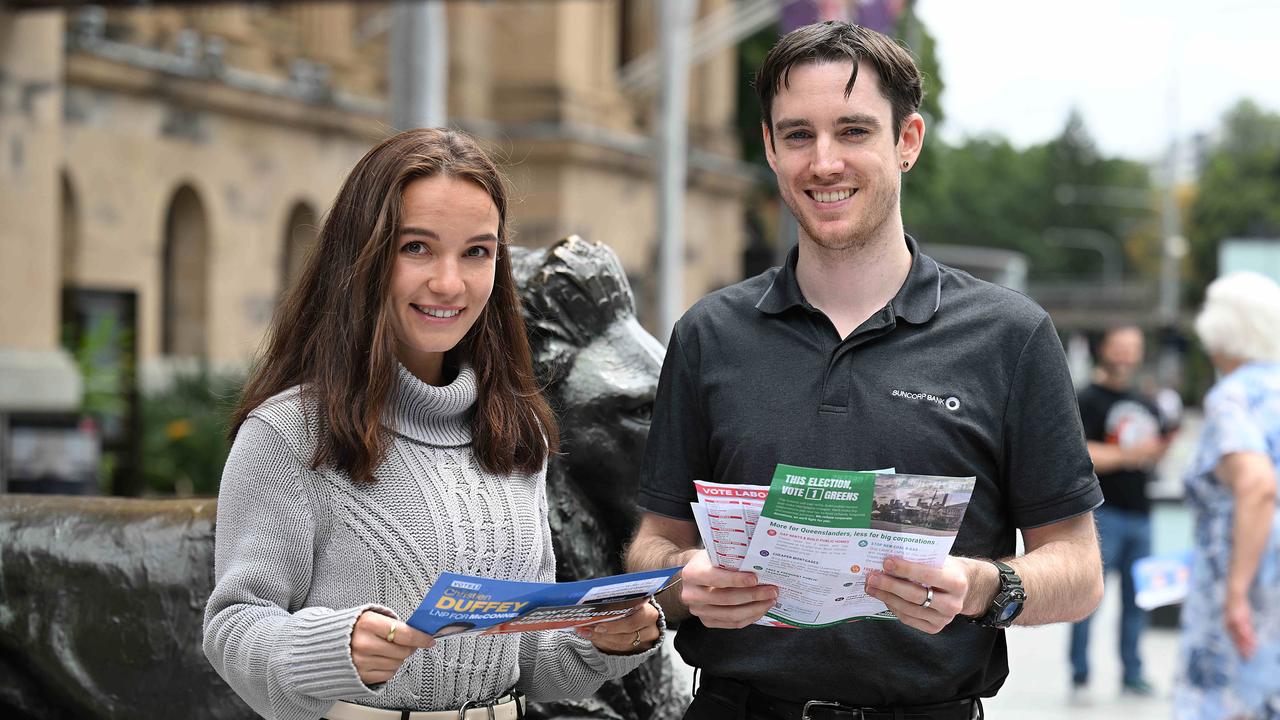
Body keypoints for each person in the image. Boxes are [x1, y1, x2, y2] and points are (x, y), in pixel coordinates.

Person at [624, 21, 1104, 720]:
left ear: (906, 142)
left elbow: (1080, 571)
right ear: (770, 147)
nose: (823, 163)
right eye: (797, 135)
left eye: (853, 131)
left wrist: (979, 585)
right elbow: (651, 542)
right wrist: (677, 581)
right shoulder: (708, 334)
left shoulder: (1010, 336)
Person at [202, 128, 662, 720]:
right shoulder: (288, 431)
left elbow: (524, 660)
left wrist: (599, 641)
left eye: (477, 251)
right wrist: (333, 649)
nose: (449, 283)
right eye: (417, 247)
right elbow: (233, 628)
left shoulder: (517, 432)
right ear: (363, 255)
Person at [1174, 272, 1280, 720]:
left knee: (1227, 700)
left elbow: (1257, 486)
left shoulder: (1233, 399)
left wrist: (1236, 593)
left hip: (1249, 582)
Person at [1068, 326, 1171, 699]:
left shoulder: (1146, 401)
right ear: (1104, 350)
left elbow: (1158, 446)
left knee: (1137, 599)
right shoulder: (1086, 400)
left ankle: (1133, 672)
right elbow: (1081, 455)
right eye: (1121, 347)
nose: (1128, 355)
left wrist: (1150, 452)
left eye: (1135, 348)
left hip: (1142, 514)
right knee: (1088, 596)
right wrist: (1130, 455)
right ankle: (1080, 674)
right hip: (1101, 514)